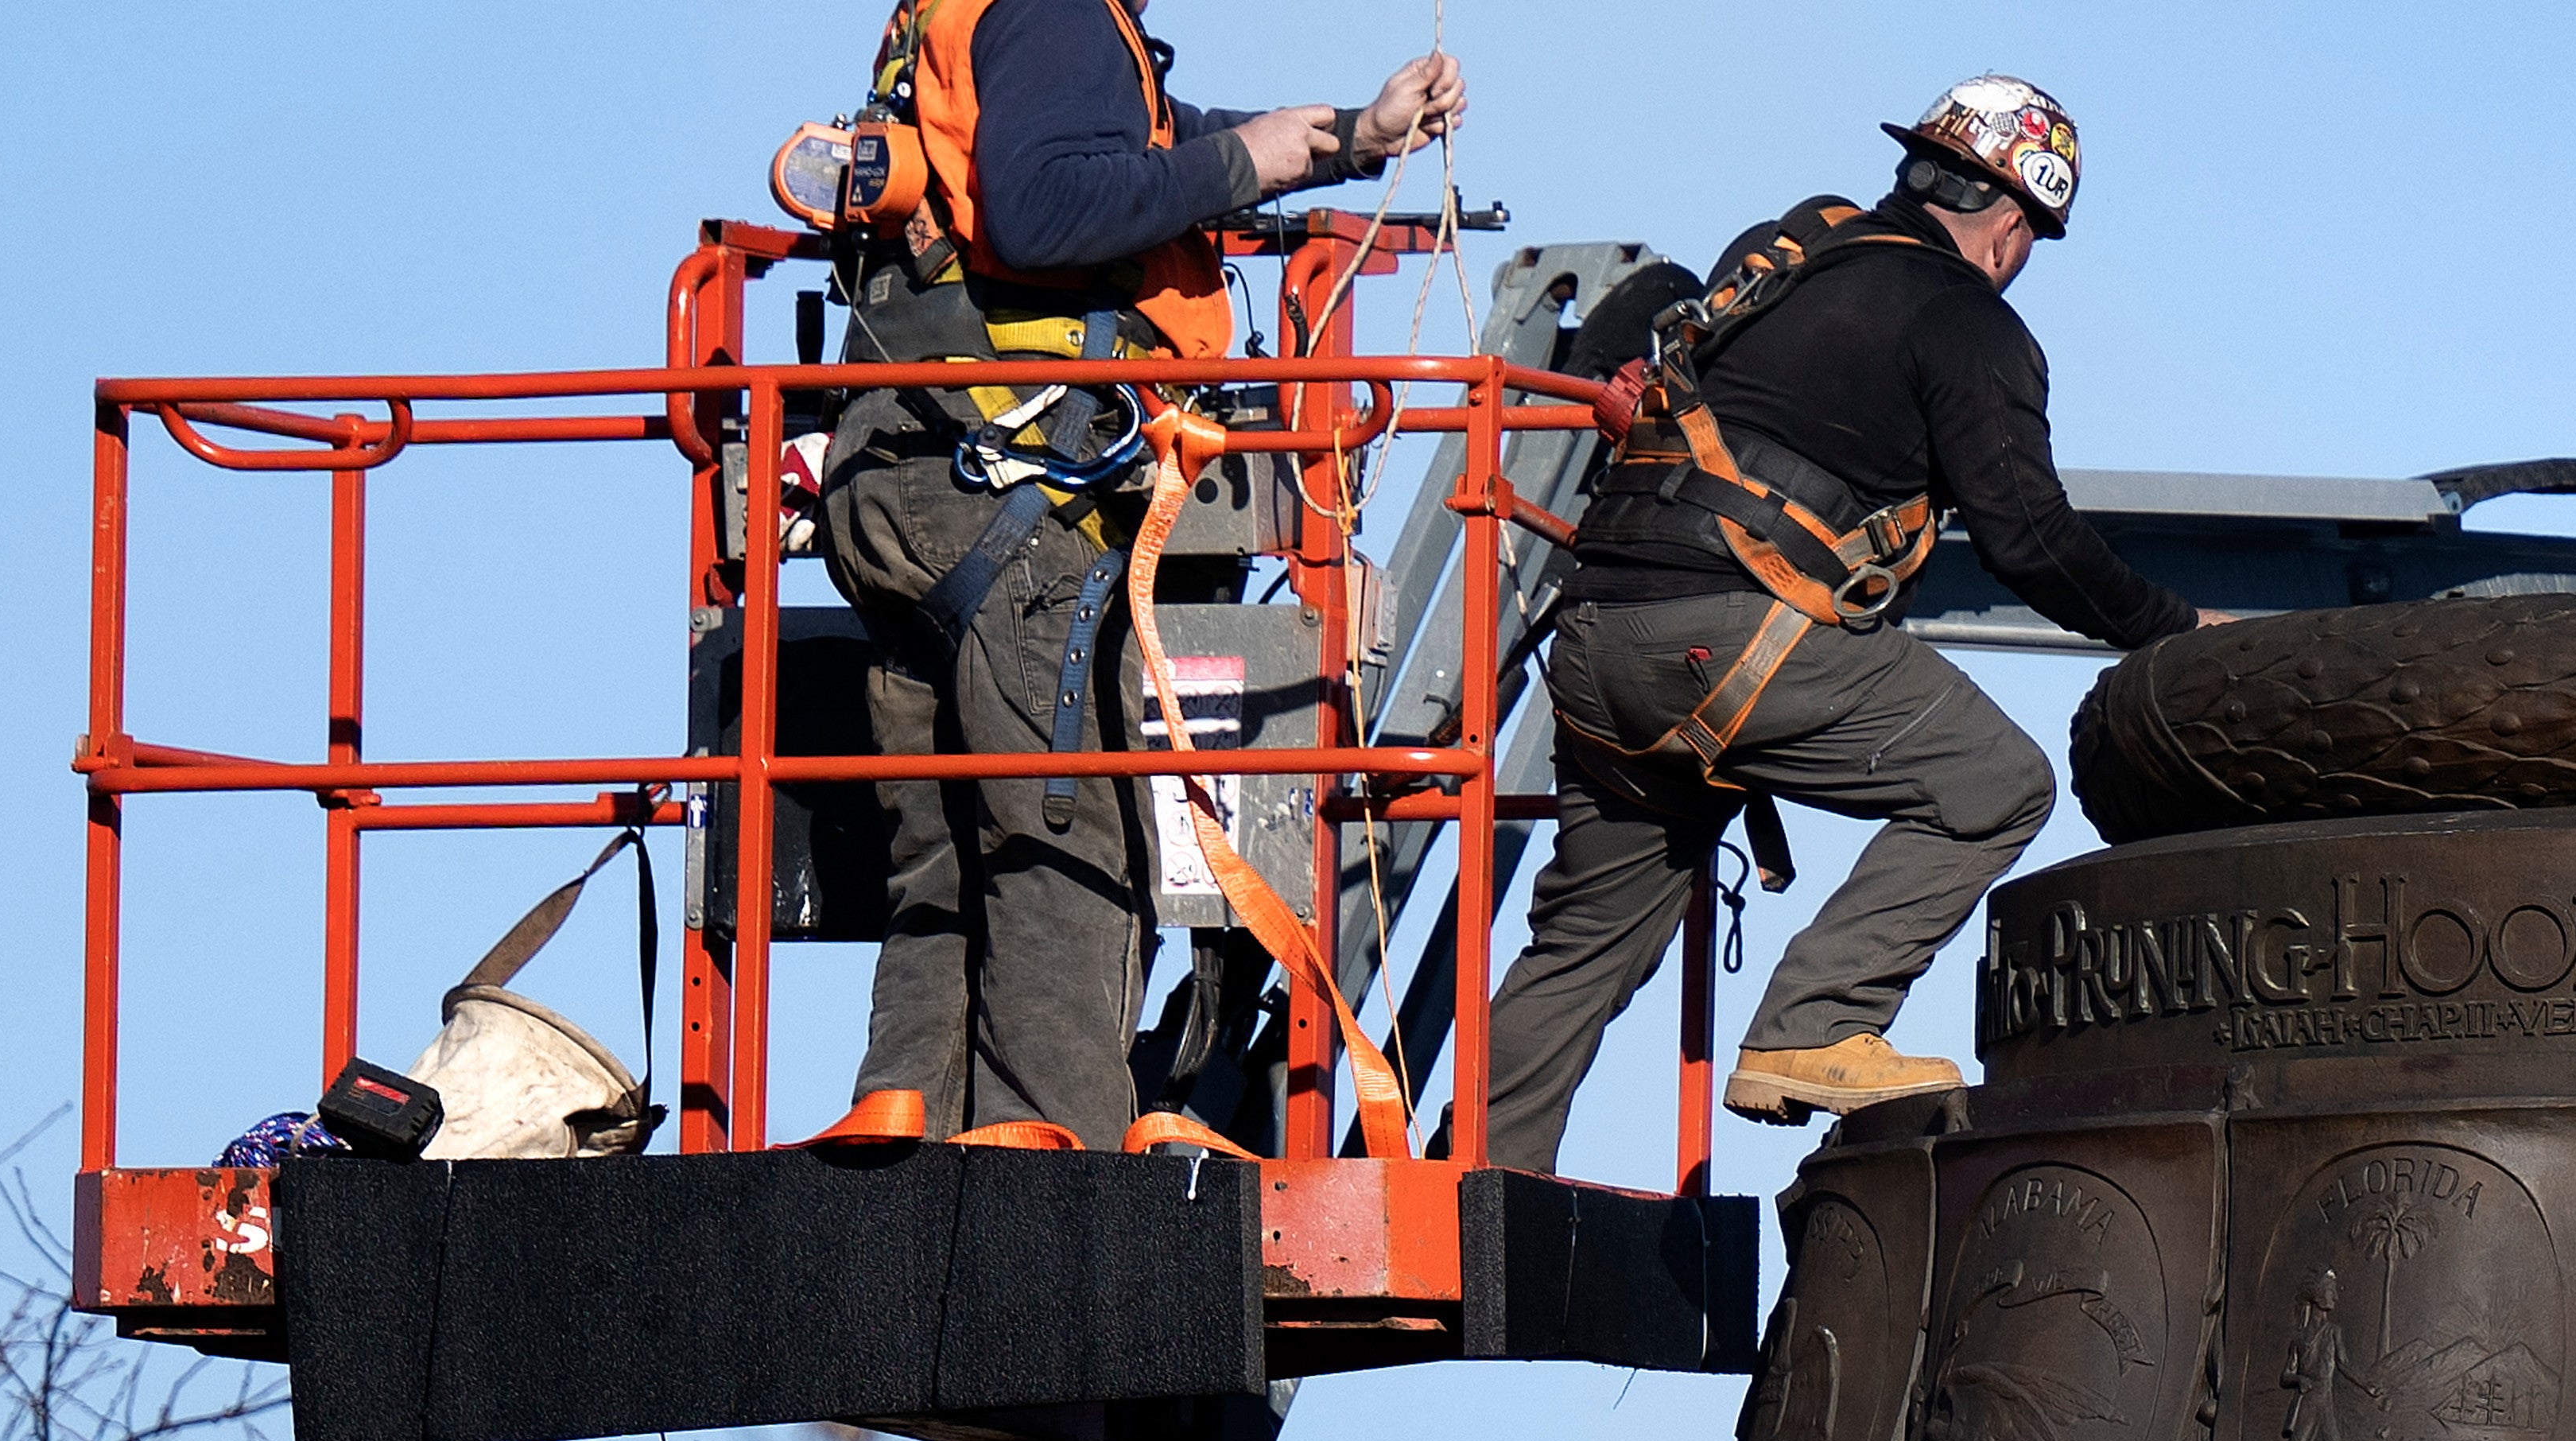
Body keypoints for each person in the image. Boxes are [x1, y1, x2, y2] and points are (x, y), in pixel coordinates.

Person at [1478, 79, 2209, 1163]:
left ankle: (1473, 1169)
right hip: (1728, 645)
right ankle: (1814, 1025)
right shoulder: (1973, 326)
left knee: (1585, 939)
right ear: (2013, 227)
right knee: (1997, 786)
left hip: (1593, 644)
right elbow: (2031, 540)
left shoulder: (1785, 248)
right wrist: (2174, 628)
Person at [813, 2, 1467, 1148]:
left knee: (946, 834)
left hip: (901, 469)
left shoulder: (978, 15)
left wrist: (1345, 138)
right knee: (1069, 824)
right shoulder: (1062, 11)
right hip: (1008, 482)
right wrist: (1240, 161)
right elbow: (1042, 201)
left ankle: (907, 1102)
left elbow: (1135, 143)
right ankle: (1047, 1147)